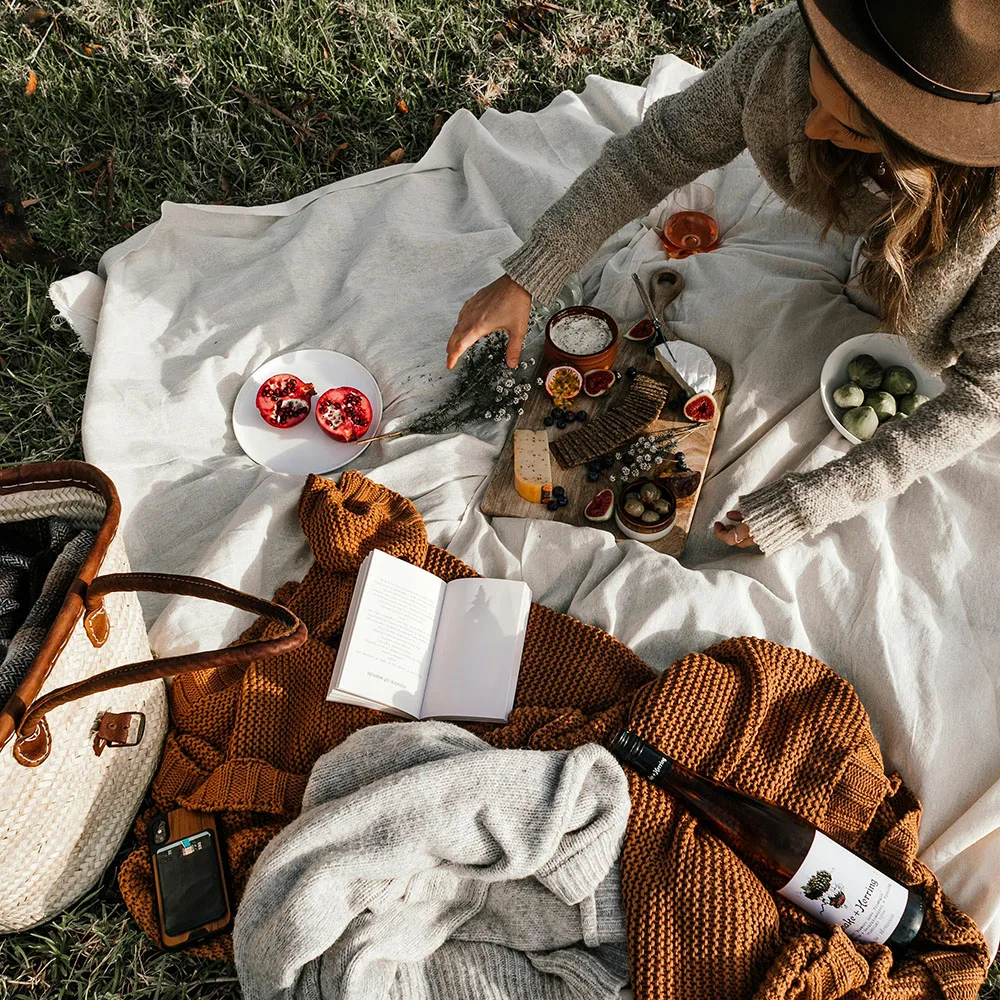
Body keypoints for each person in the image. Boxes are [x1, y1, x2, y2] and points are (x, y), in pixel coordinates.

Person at [445, 0, 1000, 555]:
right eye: (816, 90)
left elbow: (985, 394)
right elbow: (656, 152)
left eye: (851, 129)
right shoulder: (784, 50)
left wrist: (808, 503)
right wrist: (531, 272)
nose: (809, 127)